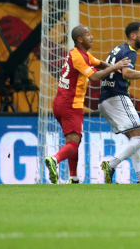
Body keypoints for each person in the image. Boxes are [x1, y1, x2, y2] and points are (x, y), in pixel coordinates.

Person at [44, 25, 128, 184]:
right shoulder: (79, 58)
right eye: (88, 34)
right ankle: (54, 159)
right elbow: (94, 77)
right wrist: (115, 66)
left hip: (60, 103)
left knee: (73, 141)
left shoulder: (79, 53)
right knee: (73, 143)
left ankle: (73, 178)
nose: (92, 37)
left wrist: (115, 70)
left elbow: (99, 63)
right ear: (80, 39)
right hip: (71, 105)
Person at [99, 22, 140, 184]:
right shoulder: (130, 50)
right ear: (133, 36)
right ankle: (111, 164)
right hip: (116, 97)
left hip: (105, 99)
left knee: (135, 139)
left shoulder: (118, 49)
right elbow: (126, 73)